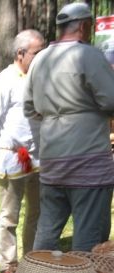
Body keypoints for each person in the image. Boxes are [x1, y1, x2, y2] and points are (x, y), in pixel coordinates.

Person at [24, 2, 114, 252]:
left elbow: (29, 107)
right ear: (84, 26)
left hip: (53, 158)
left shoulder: (40, 59)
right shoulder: (89, 55)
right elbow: (112, 99)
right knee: (90, 236)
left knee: (47, 232)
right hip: (89, 158)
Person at [0, 29, 45, 273]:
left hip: (39, 158)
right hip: (13, 158)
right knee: (9, 216)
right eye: (37, 53)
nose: (41, 58)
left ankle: (32, 260)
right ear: (20, 53)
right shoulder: (4, 81)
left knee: (37, 214)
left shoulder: (41, 78)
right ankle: (8, 265)